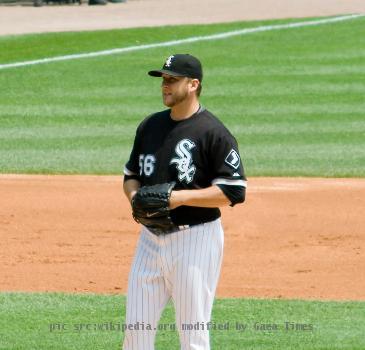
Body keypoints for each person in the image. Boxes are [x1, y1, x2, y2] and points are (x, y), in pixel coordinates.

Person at [122, 53, 247, 350]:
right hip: (150, 238)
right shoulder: (150, 126)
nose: (165, 86)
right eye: (163, 80)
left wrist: (177, 199)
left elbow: (234, 190)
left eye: (172, 80)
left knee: (192, 336)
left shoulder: (213, 132)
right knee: (135, 335)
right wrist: (135, 197)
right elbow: (131, 175)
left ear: (193, 84)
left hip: (196, 241)